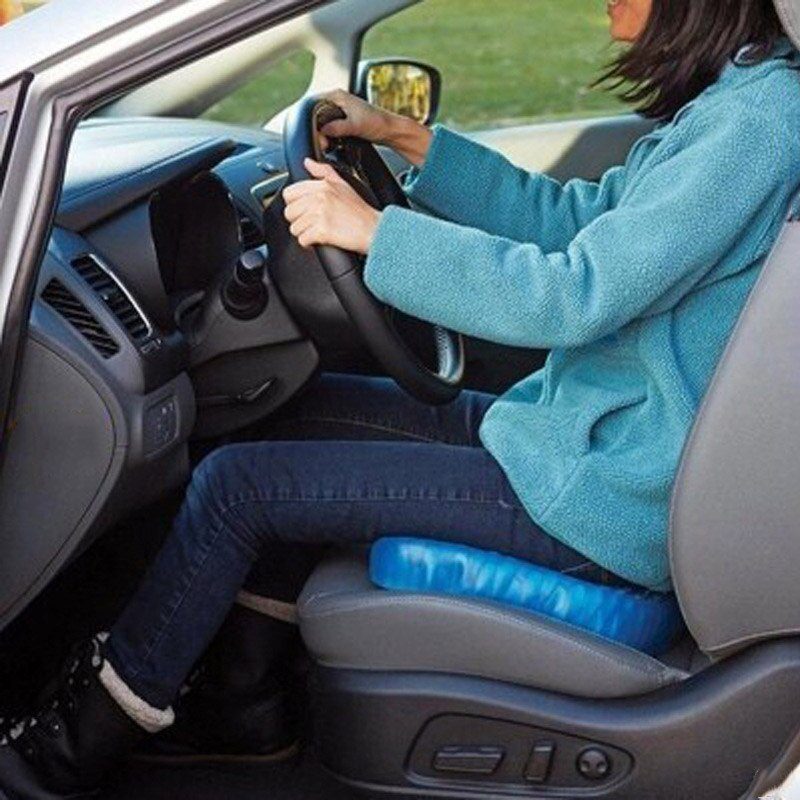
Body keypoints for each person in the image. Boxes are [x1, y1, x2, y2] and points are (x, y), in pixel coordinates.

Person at [3, 0, 800, 796]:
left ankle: (71, 749)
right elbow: (576, 222)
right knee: (298, 411)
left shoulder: (759, 121)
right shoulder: (739, 99)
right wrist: (405, 137)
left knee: (237, 486)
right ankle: (245, 709)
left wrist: (374, 234)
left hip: (600, 498)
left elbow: (572, 294)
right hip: (570, 444)